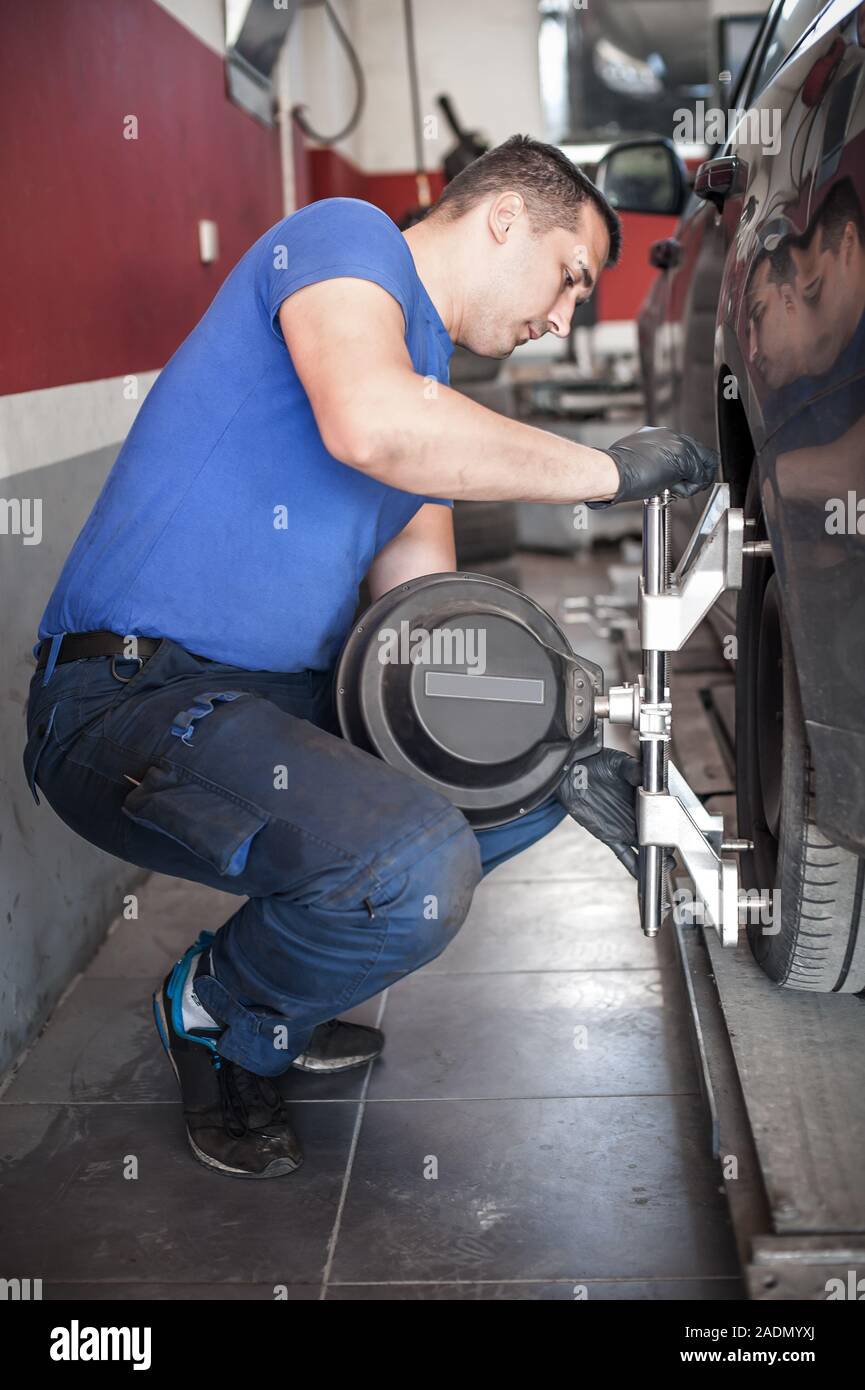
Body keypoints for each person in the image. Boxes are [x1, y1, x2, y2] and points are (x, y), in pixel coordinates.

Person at [24, 135, 716, 1179]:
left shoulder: (422, 380)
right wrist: (599, 474)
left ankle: (279, 980)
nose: (561, 320)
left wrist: (553, 742)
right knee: (410, 863)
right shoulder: (344, 241)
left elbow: (424, 628)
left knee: (518, 787)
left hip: (263, 708)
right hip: (127, 701)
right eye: (571, 279)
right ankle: (222, 1009)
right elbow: (371, 427)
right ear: (502, 219)